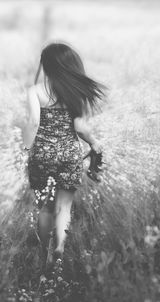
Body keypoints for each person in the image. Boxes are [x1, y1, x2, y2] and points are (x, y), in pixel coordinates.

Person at [21, 42, 106, 271]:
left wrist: (27, 151)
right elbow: (79, 127)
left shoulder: (35, 92)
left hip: (42, 154)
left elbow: (34, 122)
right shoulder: (74, 92)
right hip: (69, 154)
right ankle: (58, 250)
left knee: (45, 207)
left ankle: (42, 256)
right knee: (64, 207)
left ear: (46, 66)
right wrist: (94, 143)